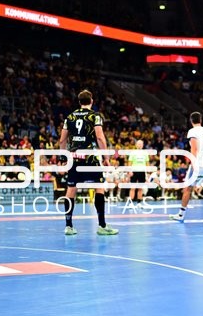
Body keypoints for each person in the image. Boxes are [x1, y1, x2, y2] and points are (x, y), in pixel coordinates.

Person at [58, 89, 118, 235]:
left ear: (79, 102)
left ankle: (68, 226)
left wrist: (63, 158)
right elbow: (100, 138)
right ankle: (102, 226)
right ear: (91, 101)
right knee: (99, 187)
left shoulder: (70, 117)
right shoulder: (95, 116)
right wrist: (106, 158)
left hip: (74, 157)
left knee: (71, 189)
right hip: (90, 157)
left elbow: (62, 140)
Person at [170, 111, 203, 223]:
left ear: (191, 121)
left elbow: (194, 149)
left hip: (198, 163)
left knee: (187, 188)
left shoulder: (192, 131)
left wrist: (194, 164)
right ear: (201, 120)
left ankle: (181, 215)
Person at [126, 138, 149, 207]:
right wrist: (130, 171)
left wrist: (147, 173)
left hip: (142, 172)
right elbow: (129, 163)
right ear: (136, 145)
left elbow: (147, 164)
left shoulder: (145, 153)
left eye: (141, 144)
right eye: (138, 144)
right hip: (134, 171)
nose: (139, 145)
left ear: (143, 145)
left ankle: (139, 203)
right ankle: (131, 203)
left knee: (140, 188)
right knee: (133, 188)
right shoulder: (132, 153)